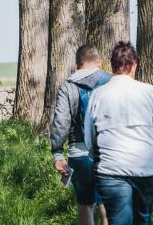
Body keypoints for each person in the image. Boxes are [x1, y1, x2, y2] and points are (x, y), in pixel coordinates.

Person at [84, 42, 153, 225]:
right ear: (133, 65)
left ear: (113, 66)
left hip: (110, 170)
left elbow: (89, 136)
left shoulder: (98, 95)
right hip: (145, 169)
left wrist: (95, 156)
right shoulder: (149, 92)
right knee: (143, 219)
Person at [51, 44, 114, 225]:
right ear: (99, 62)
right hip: (110, 152)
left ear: (77, 63)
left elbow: (61, 123)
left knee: (85, 205)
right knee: (107, 206)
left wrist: (57, 153)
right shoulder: (112, 81)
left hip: (79, 153)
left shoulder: (68, 86)